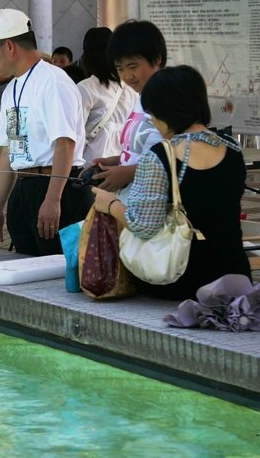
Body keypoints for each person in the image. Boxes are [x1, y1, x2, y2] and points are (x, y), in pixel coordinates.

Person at [92, 66, 250, 300]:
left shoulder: (159, 156)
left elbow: (144, 225)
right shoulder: (233, 148)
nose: (153, 121)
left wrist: (110, 204)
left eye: (153, 114)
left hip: (182, 279)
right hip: (234, 276)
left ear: (166, 111)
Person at [0, 8, 92, 256]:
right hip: (24, 187)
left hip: (55, 187)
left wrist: (53, 199)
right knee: (26, 263)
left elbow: (65, 143)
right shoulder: (11, 90)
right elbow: (8, 152)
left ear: (9, 46)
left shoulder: (53, 81)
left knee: (56, 267)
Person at [89, 20, 167, 200]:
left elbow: (184, 155)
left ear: (157, 59)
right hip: (130, 204)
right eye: (120, 69)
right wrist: (117, 161)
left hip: (154, 206)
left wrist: (129, 172)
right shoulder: (141, 97)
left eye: (133, 67)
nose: (127, 76)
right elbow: (145, 152)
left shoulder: (169, 97)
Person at [77, 27, 137, 165]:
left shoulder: (85, 88)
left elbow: (76, 135)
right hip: (122, 167)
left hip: (92, 167)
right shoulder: (131, 89)